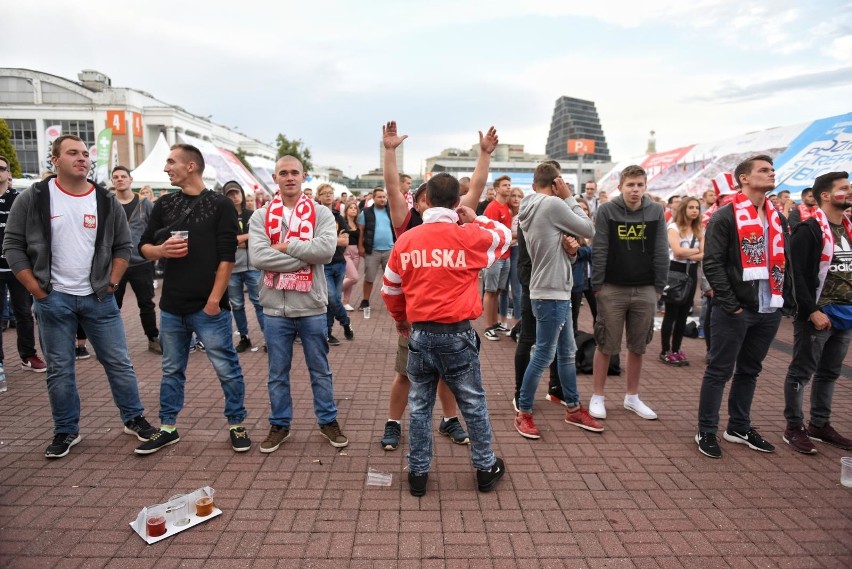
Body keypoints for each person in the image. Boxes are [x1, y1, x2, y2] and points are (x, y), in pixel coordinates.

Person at [3, 135, 156, 458]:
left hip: (98, 298)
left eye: (86, 154)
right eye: (73, 153)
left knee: (119, 362)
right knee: (60, 368)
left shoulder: (104, 200)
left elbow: (122, 245)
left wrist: (112, 282)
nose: (82, 158)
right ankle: (66, 430)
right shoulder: (35, 198)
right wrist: (35, 289)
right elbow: (13, 246)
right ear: (55, 160)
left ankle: (134, 418)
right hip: (52, 298)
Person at [381, 171, 509, 496]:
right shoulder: (467, 236)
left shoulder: (406, 240)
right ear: (455, 202)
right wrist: (474, 217)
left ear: (425, 201)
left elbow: (390, 289)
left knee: (420, 405)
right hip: (456, 335)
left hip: (419, 334)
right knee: (473, 403)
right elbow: (505, 236)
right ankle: (484, 467)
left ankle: (418, 474)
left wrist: (400, 320)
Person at [377, 121, 494, 451]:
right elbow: (390, 188)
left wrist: (484, 155)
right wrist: (390, 152)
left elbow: (475, 191)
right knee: (405, 374)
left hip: (450, 322)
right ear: (419, 200)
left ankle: (449, 419)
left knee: (446, 376)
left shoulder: (455, 218)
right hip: (418, 322)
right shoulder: (408, 224)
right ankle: (392, 422)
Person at [136, 143, 251, 455]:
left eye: (171, 162)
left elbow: (227, 258)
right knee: (172, 369)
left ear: (191, 166)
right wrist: (160, 251)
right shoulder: (164, 205)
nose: (165, 168)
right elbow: (143, 246)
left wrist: (214, 300)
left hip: (208, 306)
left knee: (226, 367)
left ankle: (236, 424)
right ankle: (168, 427)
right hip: (172, 305)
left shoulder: (220, 205)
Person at [250, 155, 349, 453]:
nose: (289, 177)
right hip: (275, 308)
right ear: (275, 178)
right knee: (277, 372)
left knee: (319, 369)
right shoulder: (260, 217)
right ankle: (280, 424)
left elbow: (325, 251)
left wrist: (285, 246)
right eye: (284, 173)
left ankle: (327, 420)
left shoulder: (321, 214)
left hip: (311, 306)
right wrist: (303, 254)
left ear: (304, 176)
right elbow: (258, 257)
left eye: (295, 172)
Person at [696, 155, 790, 459]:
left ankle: (738, 426)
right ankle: (706, 430)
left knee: (750, 370)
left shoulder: (778, 217)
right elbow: (712, 262)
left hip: (769, 306)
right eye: (763, 170)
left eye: (772, 170)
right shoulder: (726, 216)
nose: (771, 173)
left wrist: (782, 302)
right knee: (719, 370)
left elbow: (786, 261)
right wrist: (730, 303)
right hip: (737, 308)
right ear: (744, 179)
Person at [514, 162, 598, 439]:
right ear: (556, 183)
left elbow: (551, 252)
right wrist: (568, 197)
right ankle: (523, 411)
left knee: (566, 352)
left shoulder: (529, 207)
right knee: (544, 355)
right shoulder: (551, 205)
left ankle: (573, 407)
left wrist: (570, 253)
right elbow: (588, 228)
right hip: (551, 292)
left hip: (552, 288)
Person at [589, 165, 667, 421]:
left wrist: (658, 287)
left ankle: (632, 396)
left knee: (638, 345)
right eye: (631, 185)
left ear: (645, 186)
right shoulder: (606, 210)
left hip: (645, 287)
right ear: (621, 186)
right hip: (612, 287)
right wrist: (598, 285)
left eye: (640, 185)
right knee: (605, 343)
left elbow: (660, 250)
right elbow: (599, 248)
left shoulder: (655, 211)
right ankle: (597, 395)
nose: (635, 190)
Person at [782, 171, 852, 453]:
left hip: (846, 315)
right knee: (802, 372)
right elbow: (796, 274)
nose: (849, 192)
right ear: (825, 195)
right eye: (844, 188)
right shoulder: (809, 230)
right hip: (820, 315)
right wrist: (811, 311)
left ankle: (820, 424)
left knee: (830, 373)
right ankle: (794, 427)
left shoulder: (848, 229)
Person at [0, 154, 47, 375]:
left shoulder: (19, 200)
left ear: (9, 174)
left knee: (24, 315)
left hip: (18, 269)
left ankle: (27, 355)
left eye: (1, 168)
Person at [111, 166, 161, 354]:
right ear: (112, 181)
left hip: (141, 262)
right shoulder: (108, 203)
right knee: (113, 305)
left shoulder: (145, 203)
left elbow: (155, 229)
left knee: (146, 303)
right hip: (116, 263)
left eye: (124, 176)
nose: (120, 179)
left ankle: (152, 338)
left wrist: (152, 251)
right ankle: (112, 344)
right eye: (116, 177)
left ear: (131, 180)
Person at [659, 196, 703, 366]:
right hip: (675, 271)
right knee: (671, 313)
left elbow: (705, 253)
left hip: (691, 272)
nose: (694, 210)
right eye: (691, 207)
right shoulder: (673, 227)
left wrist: (690, 252)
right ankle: (665, 350)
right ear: (684, 209)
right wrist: (696, 251)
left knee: (684, 314)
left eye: (697, 208)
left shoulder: (699, 229)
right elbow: (677, 252)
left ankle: (676, 349)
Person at [223, 181, 265, 353]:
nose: (234, 196)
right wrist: (241, 239)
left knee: (260, 303)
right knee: (237, 305)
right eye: (230, 194)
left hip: (253, 266)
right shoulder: (223, 216)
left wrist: (241, 239)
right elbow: (225, 240)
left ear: (241, 193)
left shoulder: (252, 215)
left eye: (236, 193)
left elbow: (260, 235)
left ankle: (269, 338)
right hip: (232, 268)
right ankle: (244, 337)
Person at [316, 183, 353, 345]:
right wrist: (334, 240)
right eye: (324, 193)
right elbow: (313, 241)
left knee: (334, 299)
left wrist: (326, 241)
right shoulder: (314, 217)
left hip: (339, 263)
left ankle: (328, 332)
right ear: (319, 197)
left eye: (330, 193)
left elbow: (345, 241)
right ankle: (345, 322)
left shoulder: (338, 217)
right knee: (330, 297)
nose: (328, 196)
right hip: (323, 264)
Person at [482, 175, 513, 340]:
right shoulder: (493, 208)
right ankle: (488, 326)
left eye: (509, 185)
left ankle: (494, 323)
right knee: (490, 291)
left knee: (498, 291)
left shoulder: (506, 207)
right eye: (505, 185)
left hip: (505, 255)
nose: (508, 188)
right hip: (494, 257)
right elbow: (488, 233)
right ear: (497, 189)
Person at [357, 187, 394, 314]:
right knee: (369, 277)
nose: (382, 199)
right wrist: (360, 246)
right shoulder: (365, 212)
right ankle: (365, 301)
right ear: (373, 198)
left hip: (390, 249)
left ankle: (393, 303)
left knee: (391, 279)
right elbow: (361, 231)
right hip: (372, 250)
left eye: (384, 197)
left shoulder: (390, 211)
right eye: (379, 197)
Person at [498, 187, 524, 331]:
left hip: (517, 252)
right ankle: (502, 321)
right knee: (502, 289)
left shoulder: (523, 215)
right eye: (513, 195)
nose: (515, 198)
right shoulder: (505, 212)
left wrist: (511, 241)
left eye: (519, 196)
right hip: (504, 251)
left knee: (516, 290)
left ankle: (517, 323)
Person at [571, 198, 597, 332]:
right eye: (579, 208)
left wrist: (584, 250)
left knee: (598, 313)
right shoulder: (570, 228)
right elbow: (573, 251)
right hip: (576, 278)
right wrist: (589, 250)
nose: (583, 211)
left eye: (585, 208)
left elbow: (601, 252)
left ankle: (598, 343)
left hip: (593, 278)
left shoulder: (595, 230)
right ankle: (572, 345)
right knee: (573, 315)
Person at [341, 202, 361, 311]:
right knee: (353, 277)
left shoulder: (357, 224)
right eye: (351, 208)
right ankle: (332, 294)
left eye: (355, 208)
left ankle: (346, 302)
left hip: (356, 252)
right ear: (346, 210)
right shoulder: (343, 223)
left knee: (351, 279)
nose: (353, 210)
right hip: (346, 252)